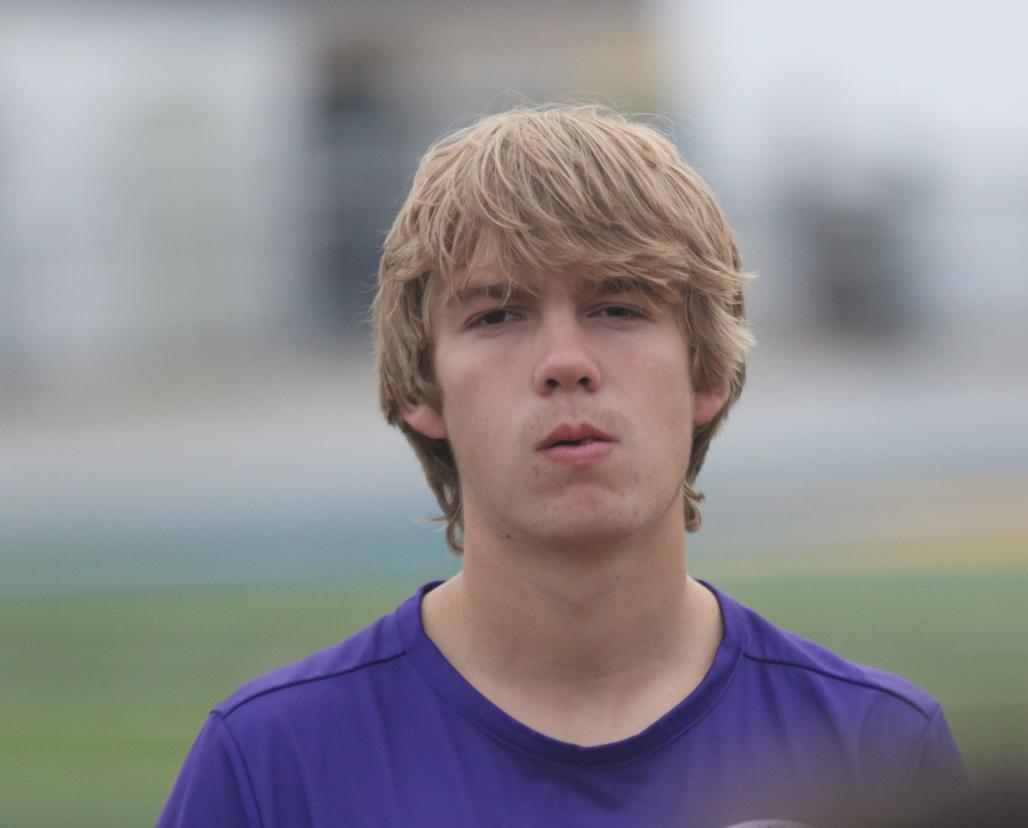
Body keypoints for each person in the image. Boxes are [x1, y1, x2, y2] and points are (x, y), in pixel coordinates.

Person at [157, 104, 967, 827]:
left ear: (708, 373)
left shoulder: (876, 752)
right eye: (498, 314)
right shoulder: (270, 767)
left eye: (617, 307)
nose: (565, 362)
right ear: (420, 386)